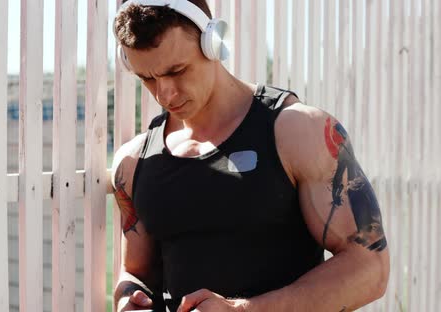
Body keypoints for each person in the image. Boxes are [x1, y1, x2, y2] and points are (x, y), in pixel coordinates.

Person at [110, 1, 390, 311]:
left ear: (212, 43)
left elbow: (370, 268)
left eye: (177, 71)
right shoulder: (135, 161)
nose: (164, 94)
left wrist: (245, 310)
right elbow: (135, 271)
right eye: (147, 78)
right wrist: (129, 295)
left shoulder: (297, 132)